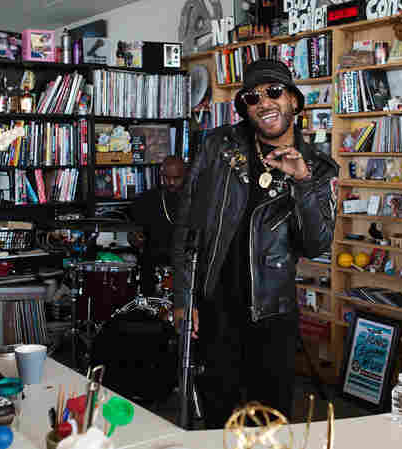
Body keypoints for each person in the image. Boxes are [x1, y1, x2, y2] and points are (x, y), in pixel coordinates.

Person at [172, 59, 338, 428]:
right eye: (252, 97)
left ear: (293, 100)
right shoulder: (217, 147)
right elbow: (186, 226)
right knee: (218, 418)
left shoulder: (319, 167)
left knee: (269, 420)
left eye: (274, 92)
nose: (264, 103)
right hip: (216, 307)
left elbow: (316, 244)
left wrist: (302, 183)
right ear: (245, 108)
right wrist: (183, 298)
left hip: (273, 312)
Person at [130, 156, 187, 295]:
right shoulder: (145, 200)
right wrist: (135, 238)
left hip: (185, 267)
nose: (171, 182)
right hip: (152, 268)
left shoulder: (194, 201)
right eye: (167, 178)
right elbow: (133, 234)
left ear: (185, 176)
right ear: (161, 175)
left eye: (177, 178)